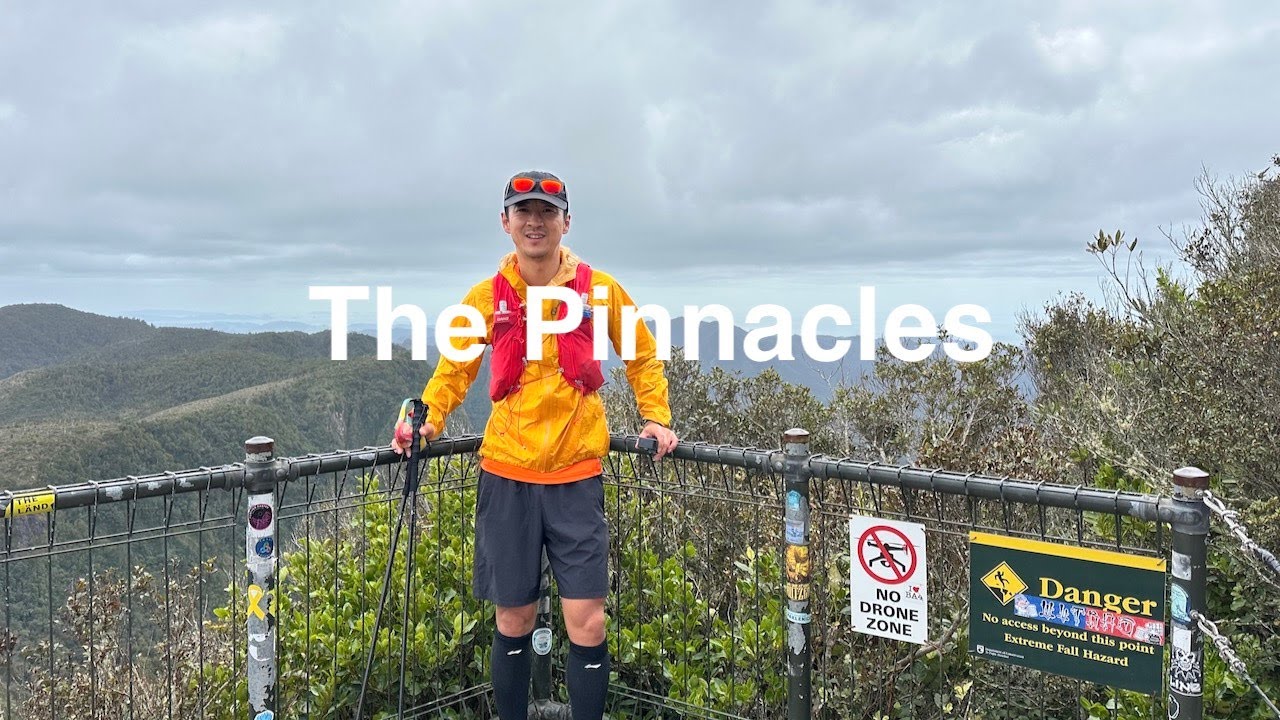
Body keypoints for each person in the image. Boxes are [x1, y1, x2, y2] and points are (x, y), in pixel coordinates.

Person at [391, 170, 678, 720]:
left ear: (566, 222)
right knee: (513, 620)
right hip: (507, 473)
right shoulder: (486, 297)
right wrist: (426, 422)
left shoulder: (600, 289)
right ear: (506, 223)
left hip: (575, 475)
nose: (535, 221)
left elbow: (641, 355)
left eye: (547, 212)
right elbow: (454, 370)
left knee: (587, 620)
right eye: (523, 211)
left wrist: (656, 418)